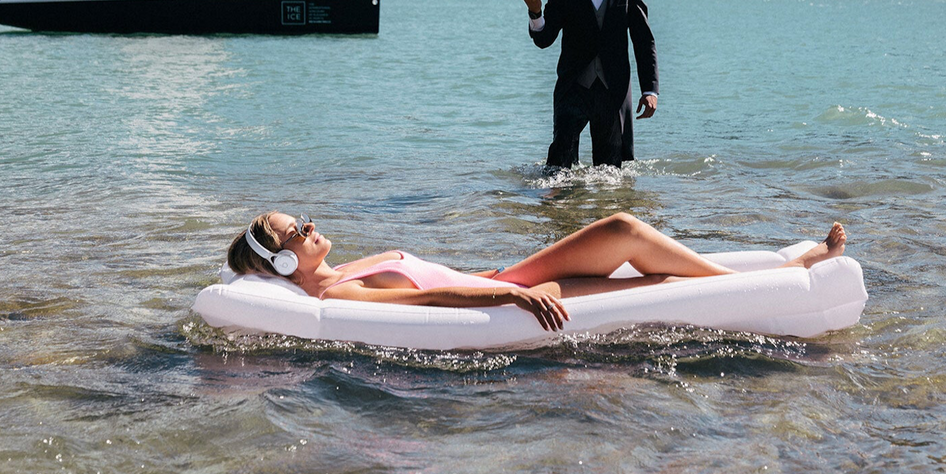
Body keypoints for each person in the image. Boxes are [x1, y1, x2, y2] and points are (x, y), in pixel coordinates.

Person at [226, 210, 848, 334]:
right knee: (629, 242)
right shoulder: (340, 291)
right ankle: (791, 270)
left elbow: (430, 274)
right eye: (294, 232)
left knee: (628, 239)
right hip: (511, 294)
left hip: (507, 276)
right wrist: (515, 300)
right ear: (282, 261)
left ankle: (785, 265)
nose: (309, 225)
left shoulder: (341, 267)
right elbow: (427, 302)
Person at [519, 0, 656, 168]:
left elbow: (644, 42)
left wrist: (650, 90)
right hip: (572, 89)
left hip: (613, 91)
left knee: (612, 174)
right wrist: (535, 11)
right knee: (558, 169)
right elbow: (544, 39)